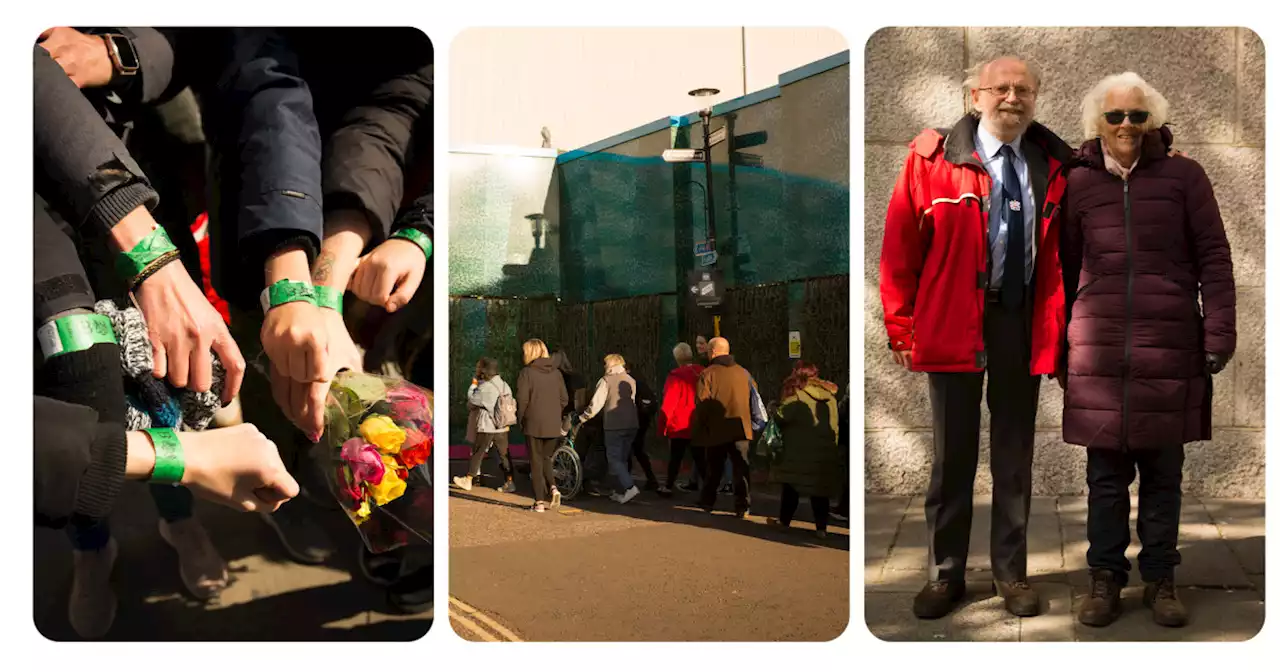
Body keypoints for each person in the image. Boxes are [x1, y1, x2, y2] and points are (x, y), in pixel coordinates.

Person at [879, 56, 1072, 619]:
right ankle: (946, 575)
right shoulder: (931, 160)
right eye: (1001, 89)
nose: (1013, 98)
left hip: (1020, 320)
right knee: (952, 457)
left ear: (1036, 98)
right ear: (975, 96)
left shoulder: (1055, 161)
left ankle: (1011, 575)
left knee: (1014, 457)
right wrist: (901, 326)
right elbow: (899, 249)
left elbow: (1123, 155)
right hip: (952, 319)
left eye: (1024, 90)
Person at [1062, 72, 1236, 629]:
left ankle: (1161, 577)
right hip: (1099, 356)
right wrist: (1059, 346)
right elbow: (1061, 271)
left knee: (1164, 478)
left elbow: (1215, 258)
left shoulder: (1186, 176)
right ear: (1098, 123)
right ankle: (1105, 578)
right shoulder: (1078, 183)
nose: (1127, 126)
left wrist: (1220, 334)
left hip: (1169, 350)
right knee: (1105, 481)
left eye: (1138, 116)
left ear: (1153, 120)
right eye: (1115, 117)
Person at [769, 361, 841, 539]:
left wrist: (772, 408)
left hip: (797, 452)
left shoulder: (797, 397)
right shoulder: (830, 397)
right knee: (819, 492)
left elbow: (781, 417)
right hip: (824, 453)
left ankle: (784, 522)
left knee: (791, 487)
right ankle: (821, 529)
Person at [690, 337, 754, 517]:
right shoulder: (744, 373)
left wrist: (700, 428)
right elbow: (753, 398)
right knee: (741, 467)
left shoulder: (708, 373)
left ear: (713, 351)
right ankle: (743, 505)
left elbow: (702, 403)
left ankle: (708, 501)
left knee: (713, 467)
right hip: (741, 427)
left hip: (716, 428)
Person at [578, 355, 642, 504]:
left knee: (614, 459)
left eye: (605, 363)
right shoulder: (630, 380)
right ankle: (621, 490)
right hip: (632, 423)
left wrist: (583, 418)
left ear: (611, 364)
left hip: (614, 424)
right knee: (623, 458)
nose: (604, 366)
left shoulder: (605, 381)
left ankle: (629, 487)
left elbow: (596, 404)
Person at [515, 339, 568, 512]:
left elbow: (522, 400)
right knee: (546, 459)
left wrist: (521, 419)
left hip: (533, 423)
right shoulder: (557, 373)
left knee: (536, 463)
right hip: (553, 424)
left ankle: (539, 502)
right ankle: (553, 487)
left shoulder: (527, 373)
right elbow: (564, 399)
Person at [455, 358, 515, 493]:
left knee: (478, 452)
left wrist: (473, 386)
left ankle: (468, 479)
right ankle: (509, 482)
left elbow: (471, 402)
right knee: (504, 455)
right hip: (503, 426)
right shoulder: (505, 385)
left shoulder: (485, 387)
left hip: (488, 426)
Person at [657, 342, 706, 495]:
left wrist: (662, 425)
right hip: (698, 421)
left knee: (675, 457)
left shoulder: (675, 376)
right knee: (700, 457)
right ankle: (708, 487)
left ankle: (668, 486)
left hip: (679, 423)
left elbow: (669, 403)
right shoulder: (702, 372)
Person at [625, 363, 660, 490]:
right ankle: (651, 479)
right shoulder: (641, 381)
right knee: (638, 450)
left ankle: (627, 482)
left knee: (628, 449)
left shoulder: (629, 381)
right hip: (643, 420)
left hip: (634, 420)